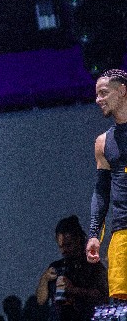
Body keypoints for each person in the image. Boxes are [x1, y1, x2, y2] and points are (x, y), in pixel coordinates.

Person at [87, 68, 127, 302]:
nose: (98, 100)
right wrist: (94, 234)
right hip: (122, 233)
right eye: (96, 94)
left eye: (103, 93)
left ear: (122, 91)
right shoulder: (103, 143)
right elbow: (101, 191)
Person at [36, 215, 108, 321]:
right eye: (61, 246)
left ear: (78, 240)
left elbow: (103, 297)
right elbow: (41, 301)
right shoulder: (57, 267)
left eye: (68, 245)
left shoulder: (93, 266)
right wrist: (44, 279)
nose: (63, 250)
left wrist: (74, 290)